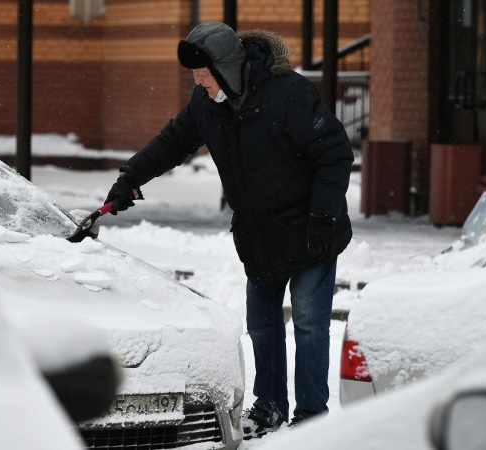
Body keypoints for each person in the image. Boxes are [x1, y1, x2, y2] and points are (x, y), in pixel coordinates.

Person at [104, 22, 353, 438]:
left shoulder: (288, 94)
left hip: (311, 228)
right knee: (263, 324)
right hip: (260, 235)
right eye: (195, 75)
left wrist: (324, 215)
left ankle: (311, 415)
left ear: (227, 68)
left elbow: (334, 152)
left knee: (310, 323)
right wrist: (131, 177)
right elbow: (172, 142)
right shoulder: (207, 104)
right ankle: (270, 406)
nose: (198, 82)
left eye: (204, 74)